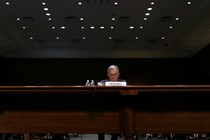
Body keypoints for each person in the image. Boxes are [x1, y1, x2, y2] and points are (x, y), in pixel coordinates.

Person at [98, 65, 126, 140]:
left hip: (118, 109)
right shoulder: (102, 82)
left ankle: (114, 138)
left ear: (118, 74)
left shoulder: (123, 83)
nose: (113, 76)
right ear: (108, 74)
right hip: (105, 108)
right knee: (100, 121)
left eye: (115, 74)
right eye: (111, 74)